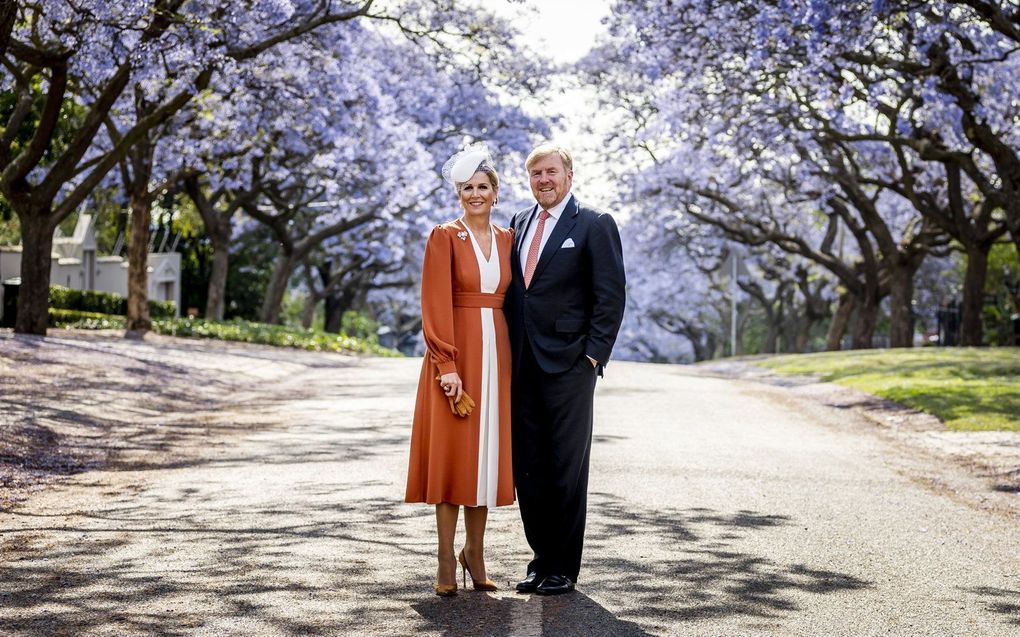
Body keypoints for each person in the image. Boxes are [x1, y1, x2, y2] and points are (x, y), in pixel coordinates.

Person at [506, 143, 626, 596]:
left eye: (550, 172)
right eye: (535, 173)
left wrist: (593, 356)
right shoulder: (518, 223)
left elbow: (611, 295)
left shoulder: (594, 224)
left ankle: (562, 568)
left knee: (566, 467)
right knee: (529, 467)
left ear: (569, 175)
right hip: (522, 363)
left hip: (570, 365)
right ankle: (540, 560)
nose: (543, 180)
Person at [405, 144, 515, 597]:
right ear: (458, 193)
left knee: (485, 458)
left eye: (483, 187)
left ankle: (476, 552)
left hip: (499, 355)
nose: (476, 194)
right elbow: (434, 302)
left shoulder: (509, 238)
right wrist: (445, 363)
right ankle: (444, 560)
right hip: (457, 358)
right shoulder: (444, 236)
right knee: (453, 458)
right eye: (467, 188)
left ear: (495, 192)